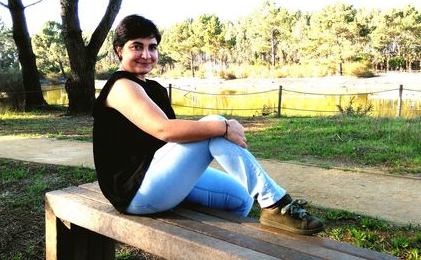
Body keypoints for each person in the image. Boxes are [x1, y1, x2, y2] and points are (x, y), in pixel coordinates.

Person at [92, 14, 324, 235]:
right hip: (134, 191)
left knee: (241, 197)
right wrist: (223, 127)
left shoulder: (151, 87)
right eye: (137, 46)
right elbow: (163, 130)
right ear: (119, 50)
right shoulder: (121, 86)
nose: (146, 54)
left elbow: (167, 140)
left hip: (157, 174)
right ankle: (277, 204)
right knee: (214, 124)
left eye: (152, 47)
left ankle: (220, 247)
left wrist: (220, 128)